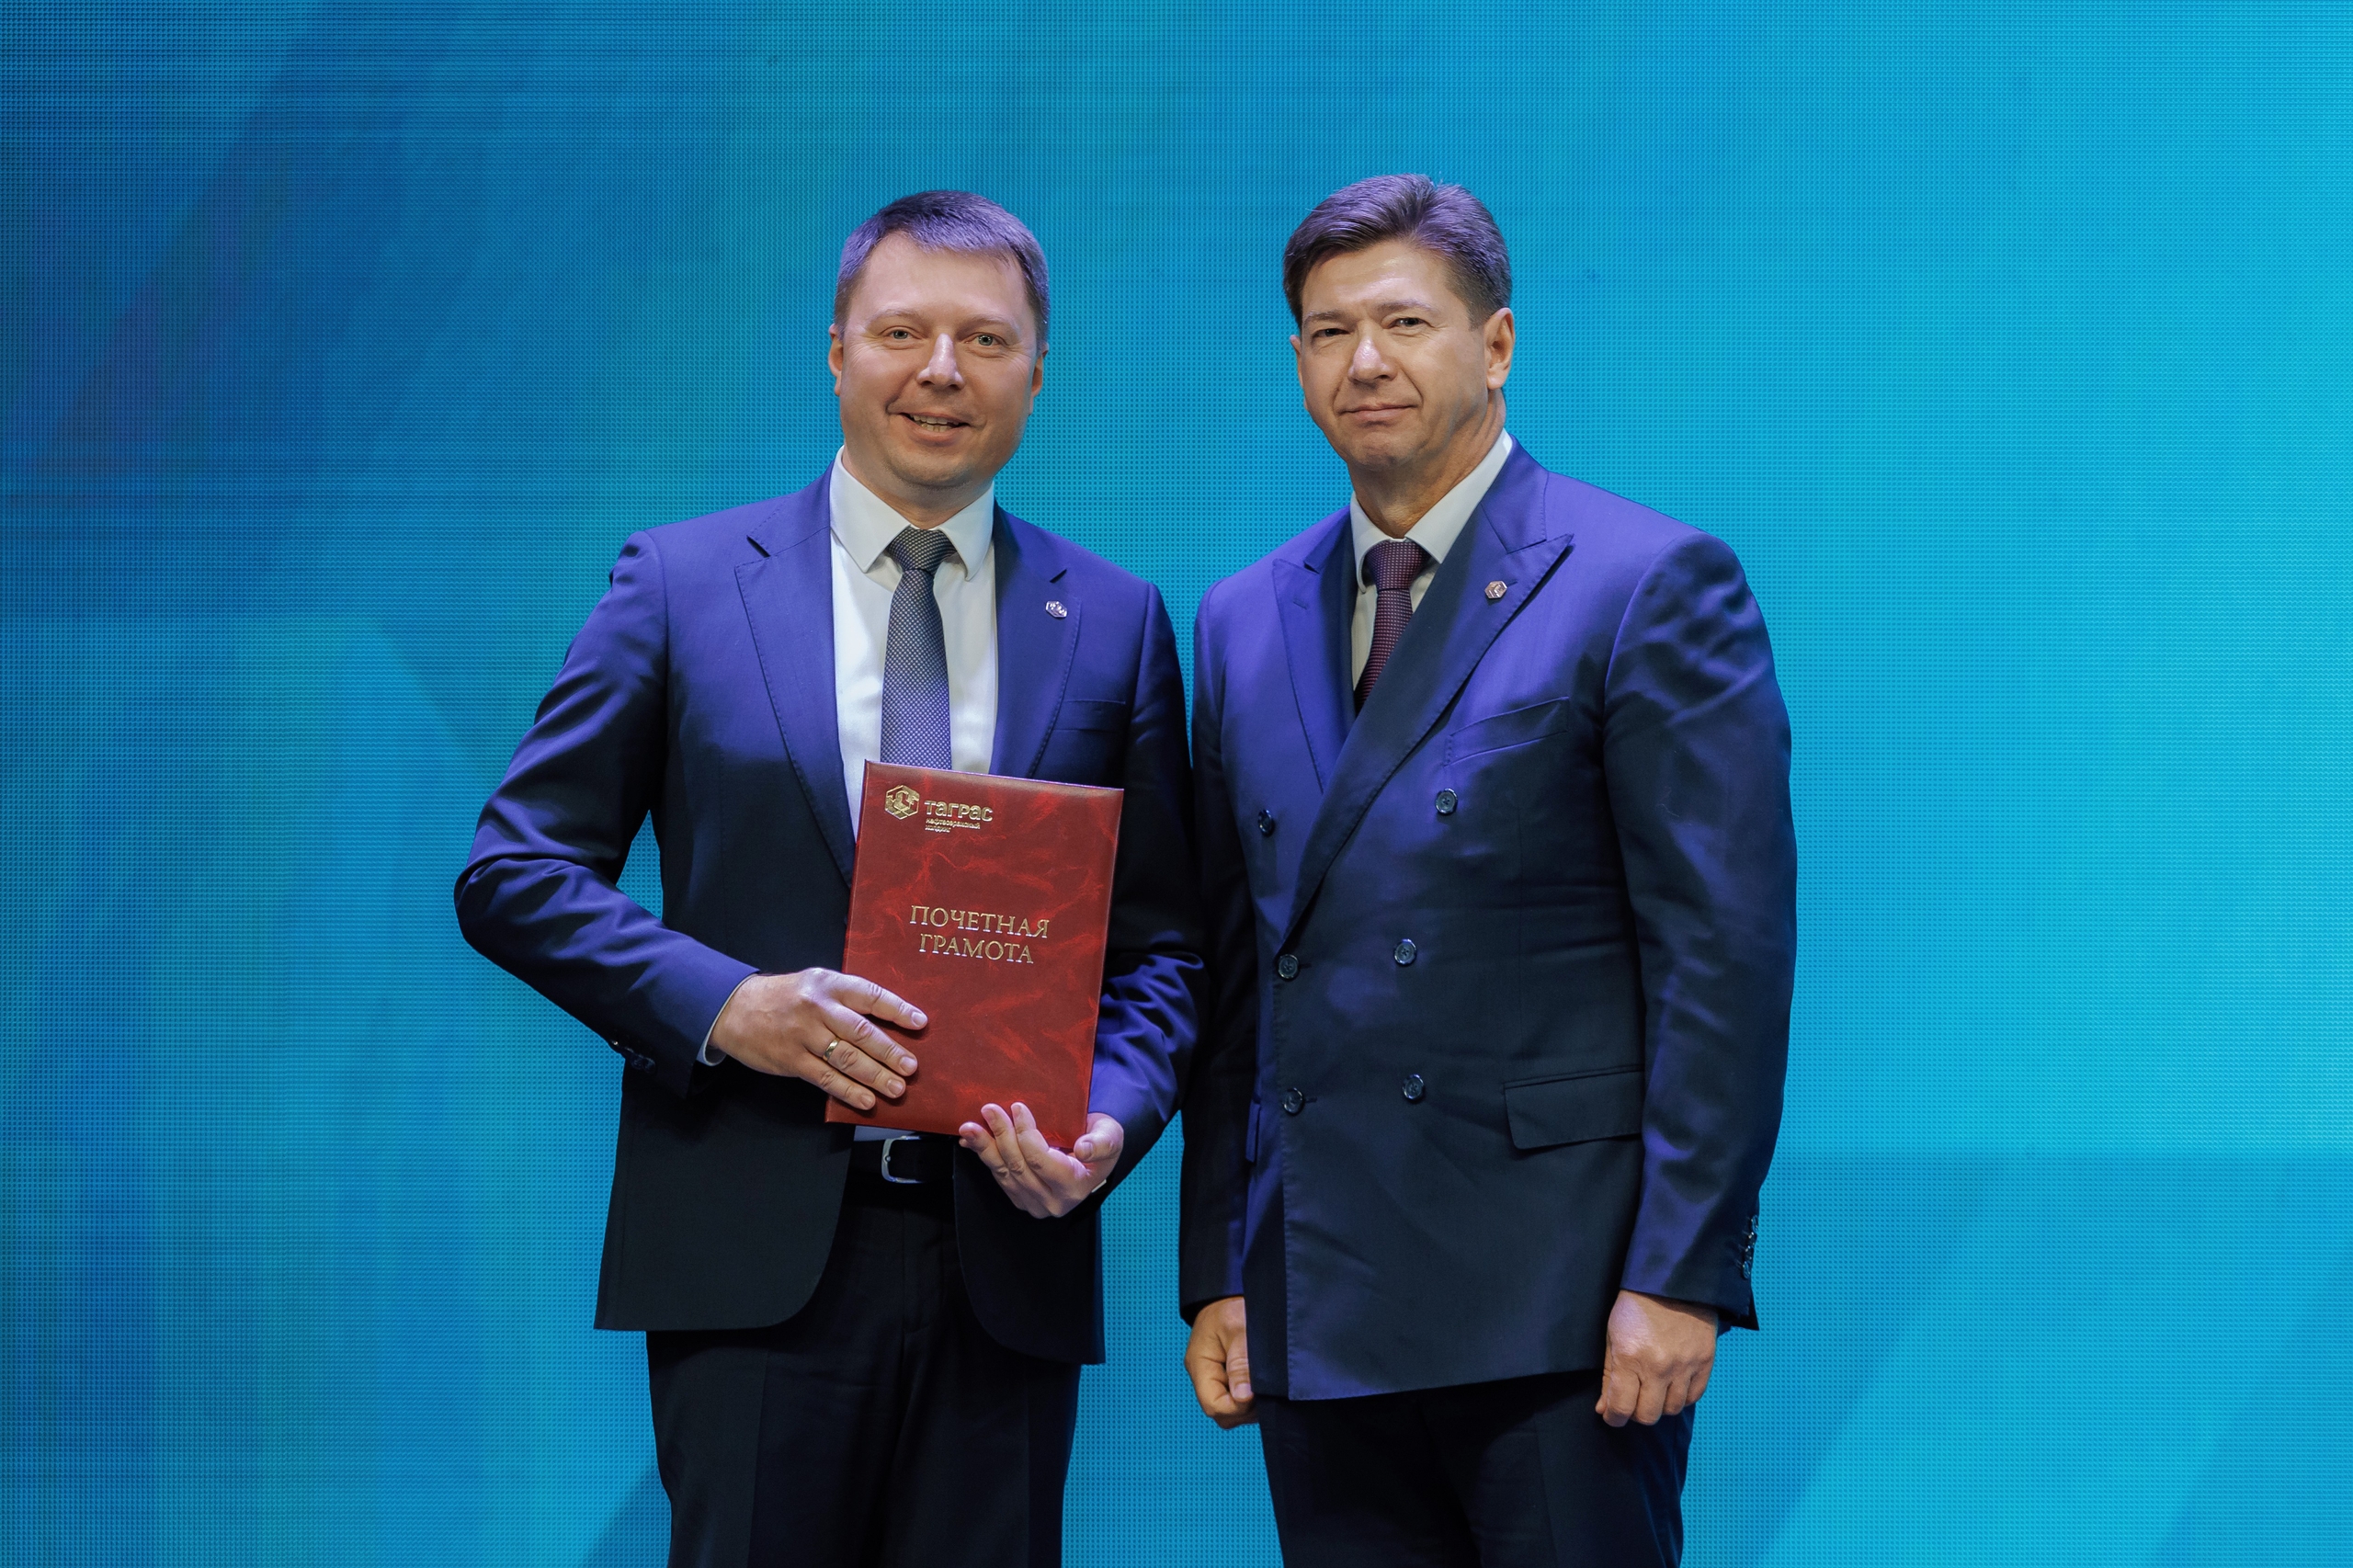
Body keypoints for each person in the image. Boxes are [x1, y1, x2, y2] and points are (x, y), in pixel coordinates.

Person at [457, 190, 1201, 1568]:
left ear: (1039, 371)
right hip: (748, 1247)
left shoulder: (1113, 621)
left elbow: (1163, 948)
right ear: (838, 352)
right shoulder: (681, 583)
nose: (942, 371)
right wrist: (725, 1005)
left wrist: (1111, 1114)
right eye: (903, 332)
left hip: (1006, 1256)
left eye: (986, 339)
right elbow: (514, 870)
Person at [1179, 175, 1795, 1566]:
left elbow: (1723, 962)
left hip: (1562, 1303)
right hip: (1318, 1292)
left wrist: (1682, 1271)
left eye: (1405, 322)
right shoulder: (1238, 617)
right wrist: (1221, 1265)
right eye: (1329, 331)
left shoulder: (1644, 580)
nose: (1366, 361)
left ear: (1497, 342)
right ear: (1296, 362)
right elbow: (1237, 974)